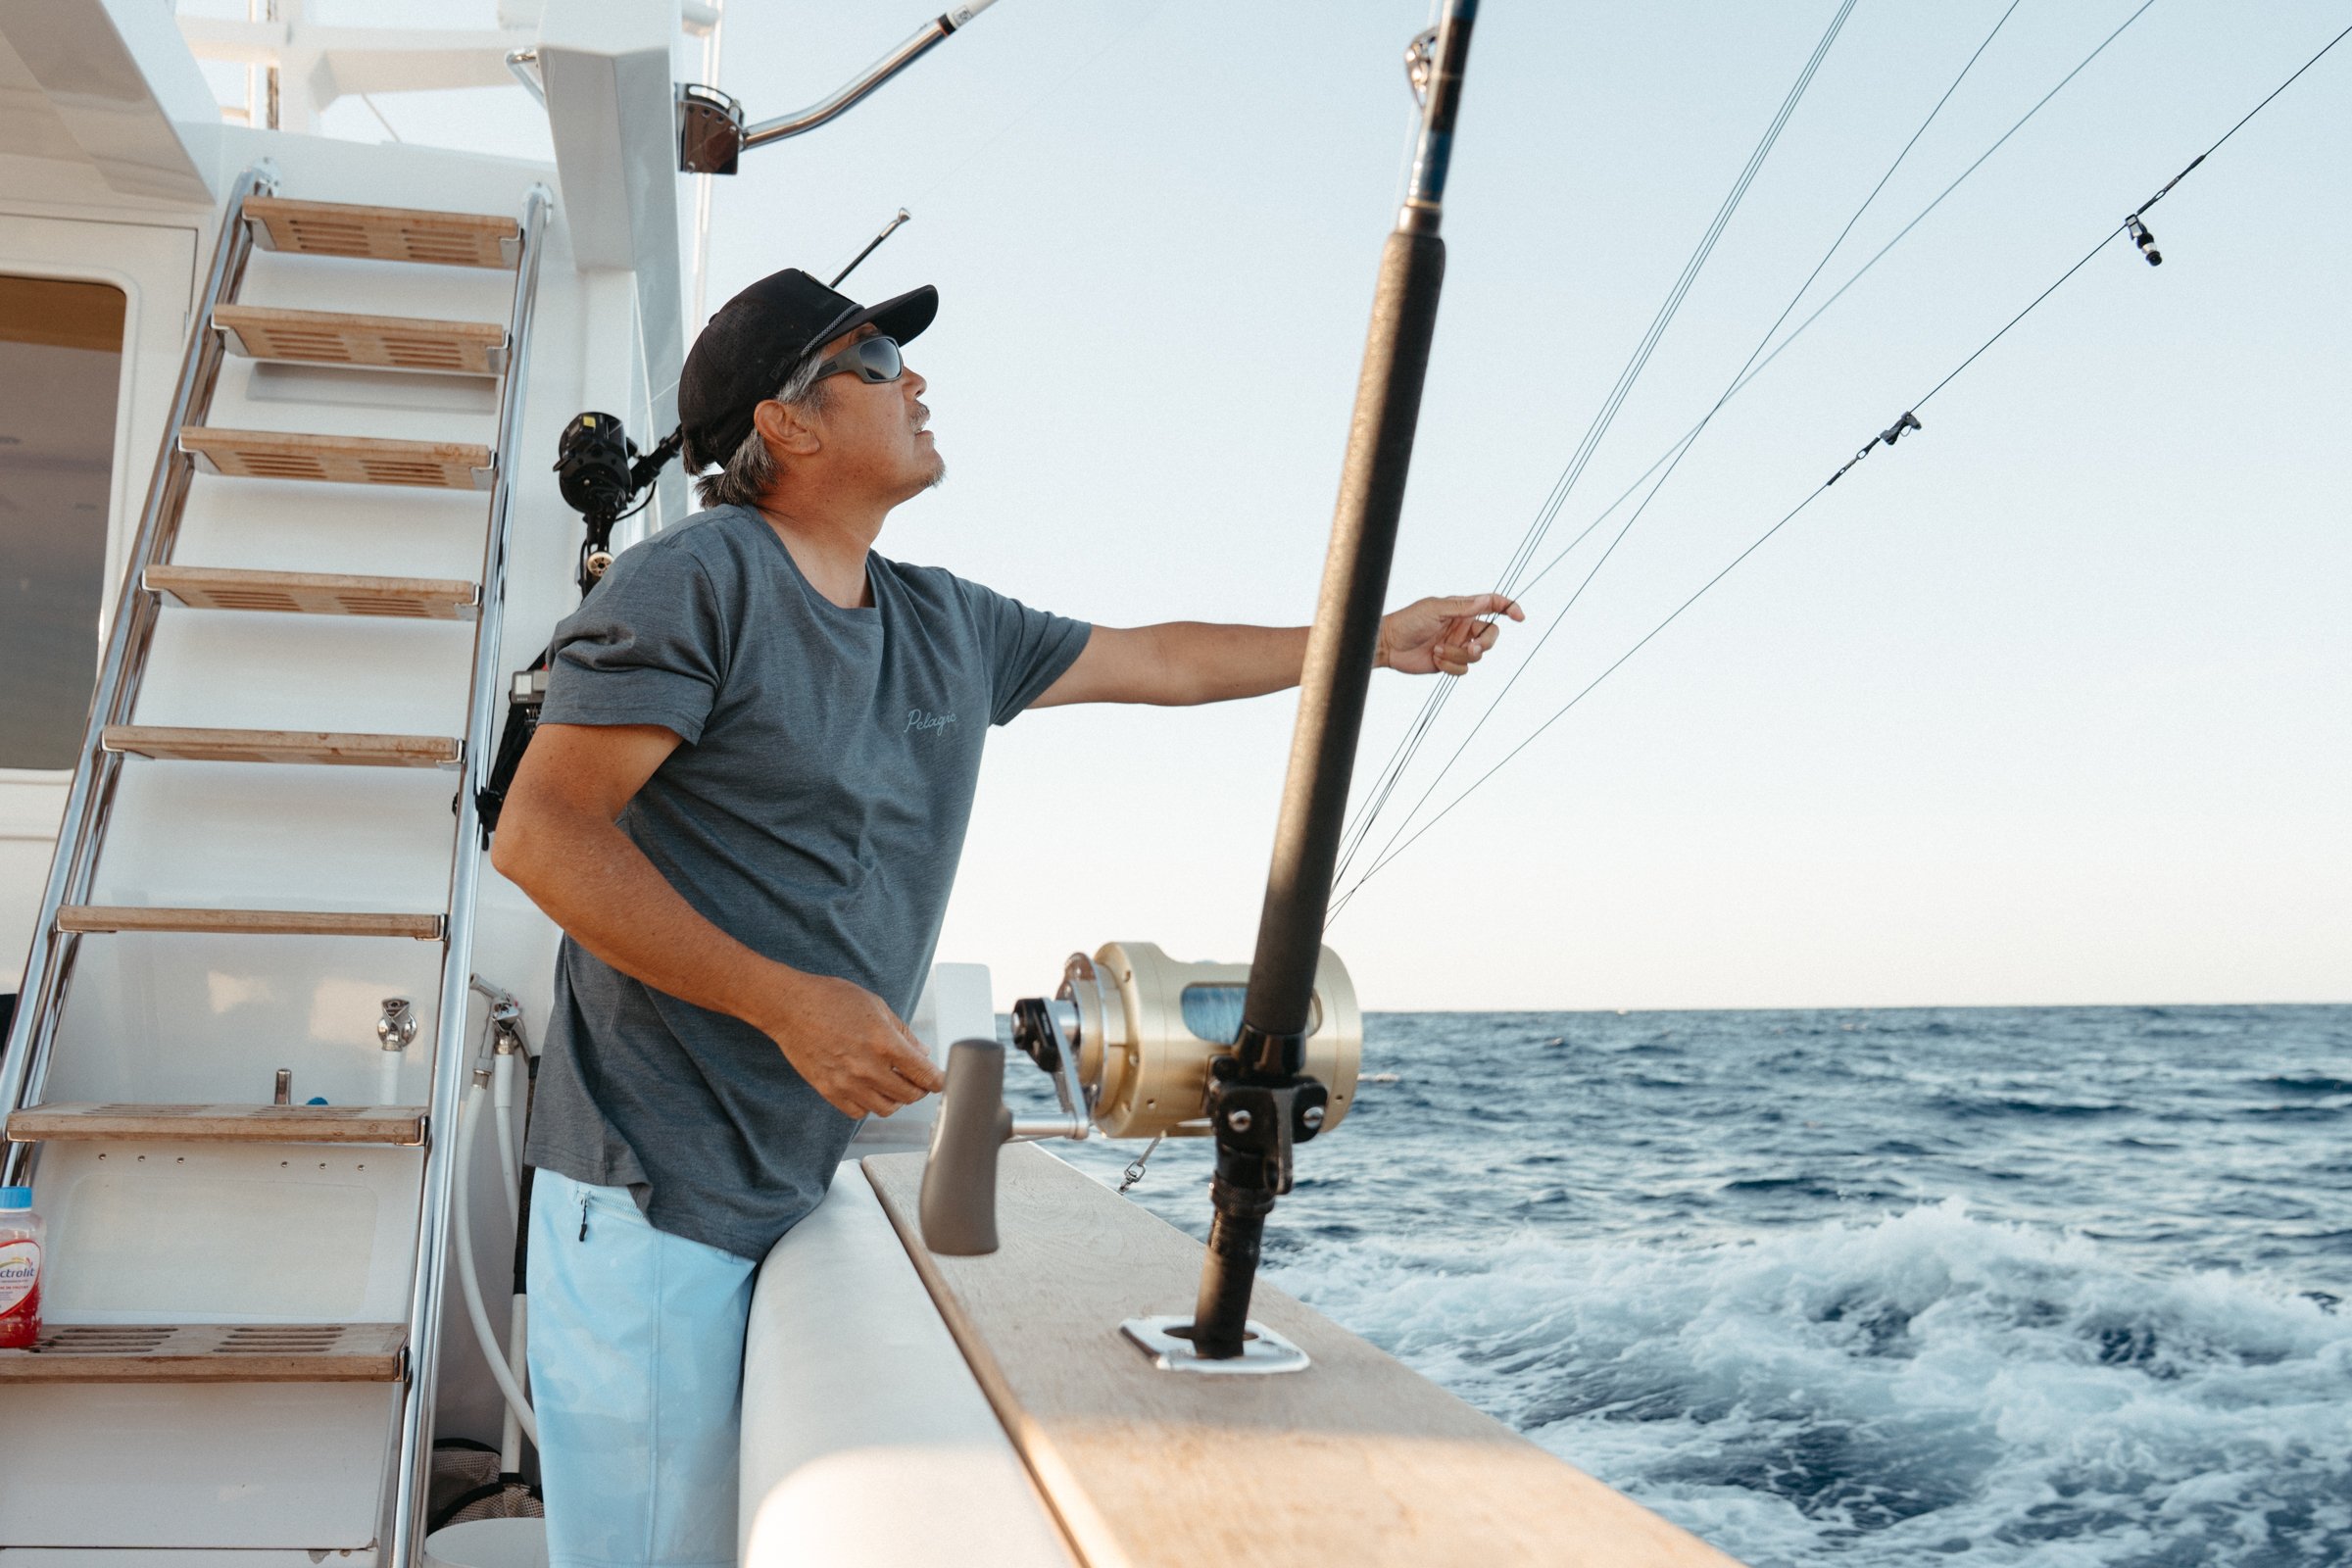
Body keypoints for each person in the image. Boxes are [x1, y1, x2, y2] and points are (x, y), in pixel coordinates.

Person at [490, 266, 1522, 1566]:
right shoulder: (695, 582)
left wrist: (1370, 638)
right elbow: (544, 835)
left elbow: (1161, 657)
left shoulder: (943, 621)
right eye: (875, 361)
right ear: (788, 424)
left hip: (791, 1176)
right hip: (650, 1198)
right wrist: (790, 1004)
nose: (916, 382)